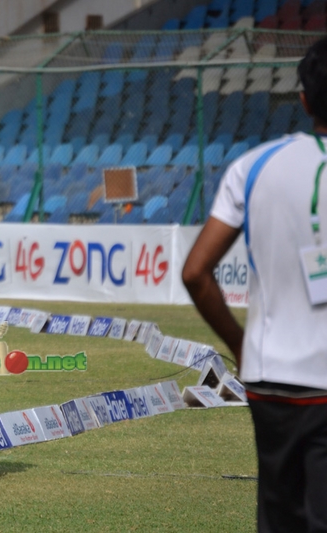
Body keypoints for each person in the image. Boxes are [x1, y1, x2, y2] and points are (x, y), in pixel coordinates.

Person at [182, 37, 327, 532]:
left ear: (304, 99)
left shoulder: (254, 165)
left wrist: (241, 345)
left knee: (279, 518)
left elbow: (195, 272)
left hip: (271, 380)